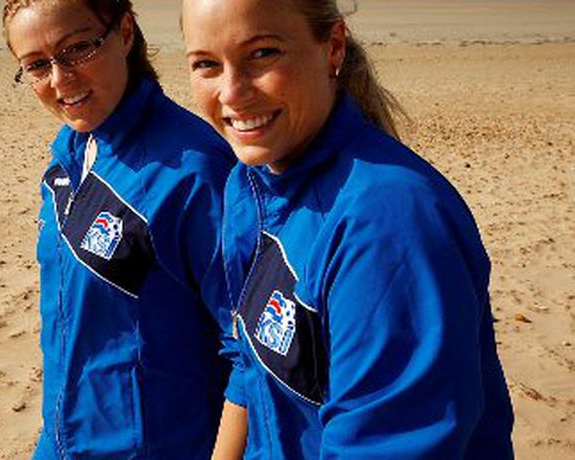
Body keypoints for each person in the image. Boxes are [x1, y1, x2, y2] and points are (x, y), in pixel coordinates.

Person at [182, 0, 515, 458]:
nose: (232, 92)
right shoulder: (252, 181)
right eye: (206, 64)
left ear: (333, 47)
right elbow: (249, 360)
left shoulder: (388, 221)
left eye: (262, 54)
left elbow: (389, 444)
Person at [2, 0, 236, 458]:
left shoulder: (192, 169)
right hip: (62, 442)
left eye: (78, 49)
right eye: (36, 66)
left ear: (125, 33)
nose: (60, 79)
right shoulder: (67, 157)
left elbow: (246, 349)